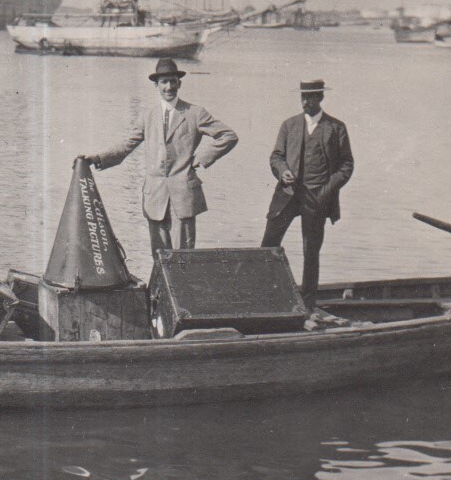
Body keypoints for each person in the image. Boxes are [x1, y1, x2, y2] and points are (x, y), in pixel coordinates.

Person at [84, 57, 238, 255]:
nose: (169, 87)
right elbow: (127, 145)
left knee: (184, 257)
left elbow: (228, 136)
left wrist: (202, 158)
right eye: (164, 82)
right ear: (156, 85)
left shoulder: (195, 113)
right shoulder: (147, 116)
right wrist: (98, 158)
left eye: (173, 81)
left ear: (179, 83)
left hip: (183, 197)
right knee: (158, 256)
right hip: (154, 197)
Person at [260, 78, 354, 306]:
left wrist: (327, 190)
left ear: (320, 98)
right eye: (303, 96)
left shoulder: (336, 127)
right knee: (268, 245)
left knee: (311, 251)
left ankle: (309, 302)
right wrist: (282, 172)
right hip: (287, 196)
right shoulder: (289, 125)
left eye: (310, 97)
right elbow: (276, 157)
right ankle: (265, 295)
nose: (305, 101)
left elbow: (347, 165)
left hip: (318, 198)